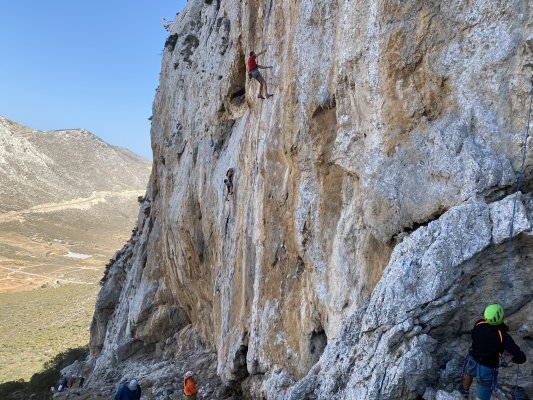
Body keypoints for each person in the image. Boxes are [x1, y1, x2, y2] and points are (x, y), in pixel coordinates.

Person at [460, 304, 526, 400]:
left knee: (468, 372)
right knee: (483, 390)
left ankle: (464, 391)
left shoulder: (479, 324)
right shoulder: (503, 336)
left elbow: (474, 336)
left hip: (472, 358)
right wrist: (518, 358)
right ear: (502, 317)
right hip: (487, 367)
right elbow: (519, 357)